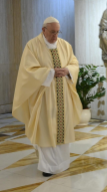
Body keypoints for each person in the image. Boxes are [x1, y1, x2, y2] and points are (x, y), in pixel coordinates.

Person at [12, 17, 82, 177]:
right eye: (52, 32)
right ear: (43, 30)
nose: (55, 36)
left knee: (62, 129)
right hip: (44, 97)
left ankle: (62, 164)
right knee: (46, 130)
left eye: (58, 32)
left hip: (63, 95)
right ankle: (48, 167)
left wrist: (68, 70)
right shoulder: (32, 46)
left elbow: (74, 63)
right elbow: (27, 71)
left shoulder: (65, 45)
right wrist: (49, 72)